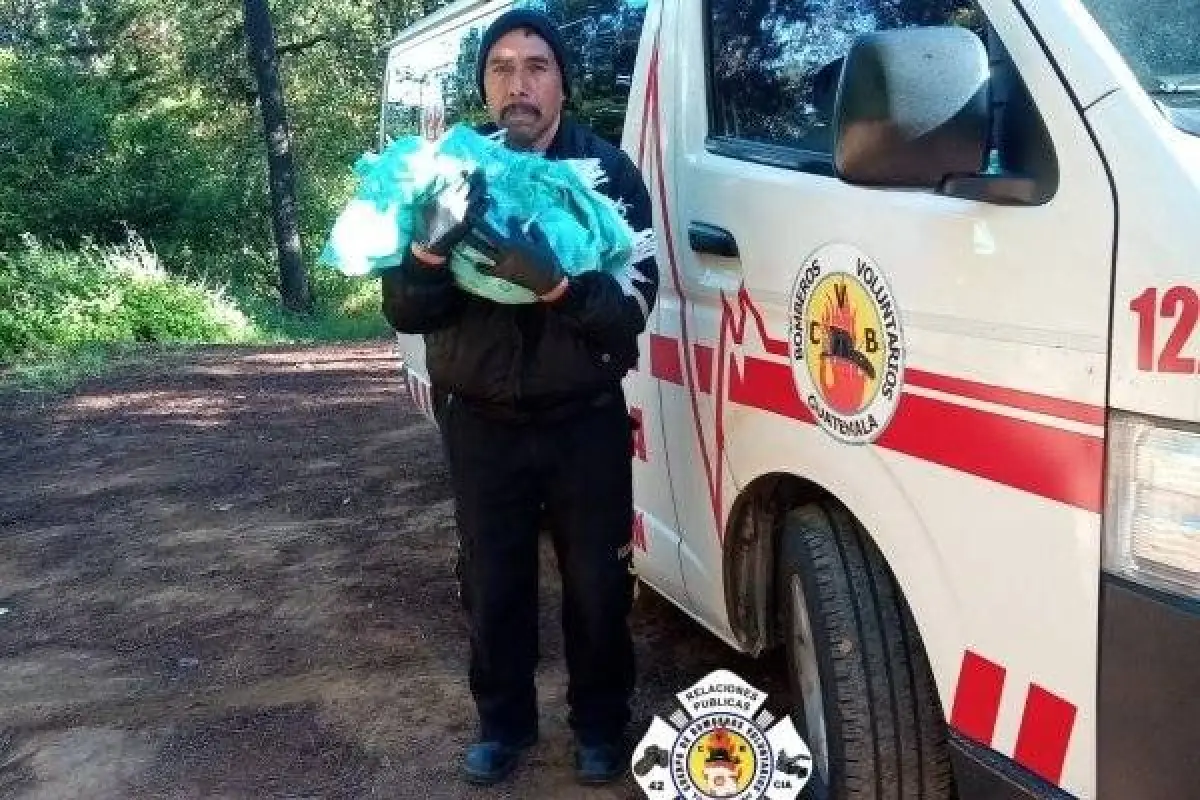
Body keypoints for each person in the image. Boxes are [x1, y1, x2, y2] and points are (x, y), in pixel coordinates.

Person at [379, 8, 659, 788]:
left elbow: (636, 305)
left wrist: (559, 284)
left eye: (536, 65)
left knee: (600, 585)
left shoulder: (606, 175)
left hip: (583, 423)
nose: (518, 83)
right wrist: (430, 246)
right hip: (479, 424)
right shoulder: (450, 173)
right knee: (492, 584)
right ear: (485, 84)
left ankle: (601, 724)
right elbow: (405, 310)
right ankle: (503, 727)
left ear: (562, 81)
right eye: (501, 67)